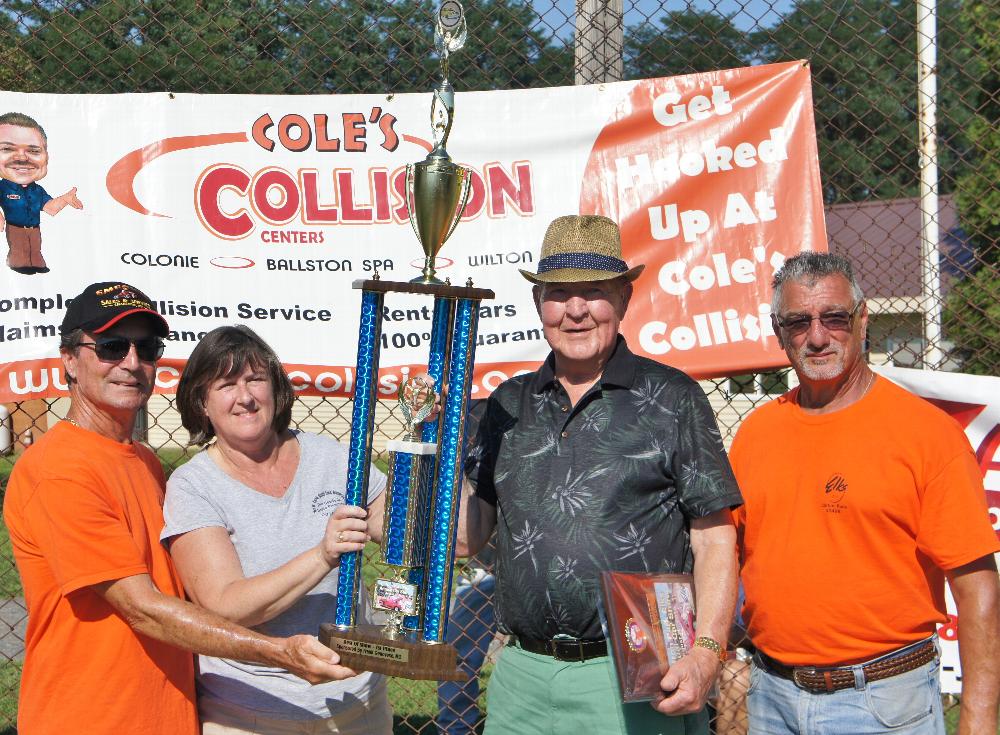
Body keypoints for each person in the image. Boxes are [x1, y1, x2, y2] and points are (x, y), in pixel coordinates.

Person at [3, 282, 355, 734]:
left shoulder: (143, 459)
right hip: (92, 717)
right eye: (111, 347)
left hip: (165, 714)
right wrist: (278, 652)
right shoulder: (58, 470)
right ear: (70, 360)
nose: (132, 363)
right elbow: (143, 608)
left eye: (147, 348)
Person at [456, 214, 744, 735]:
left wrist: (706, 652)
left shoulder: (672, 399)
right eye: (558, 293)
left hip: (636, 675)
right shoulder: (507, 404)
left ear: (624, 299)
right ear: (538, 302)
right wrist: (432, 443)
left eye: (594, 291)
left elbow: (714, 538)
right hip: (521, 676)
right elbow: (467, 538)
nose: (576, 310)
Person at [730, 252, 1000, 735]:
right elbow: (723, 562)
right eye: (798, 322)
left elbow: (977, 585)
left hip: (884, 702)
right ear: (778, 331)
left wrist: (979, 718)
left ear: (862, 319)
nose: (817, 336)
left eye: (834, 317)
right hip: (771, 696)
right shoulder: (756, 433)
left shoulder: (927, 434)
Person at [161, 325, 392, 734]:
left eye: (255, 379)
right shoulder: (194, 485)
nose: (245, 397)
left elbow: (406, 532)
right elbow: (225, 604)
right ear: (201, 402)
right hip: (252, 713)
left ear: (276, 388)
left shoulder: (334, 458)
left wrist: (432, 437)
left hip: (359, 705)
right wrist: (322, 555)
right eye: (226, 385)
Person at [0, 112, 82, 274]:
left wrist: (65, 199)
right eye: (7, 149)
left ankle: (37, 264)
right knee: (19, 248)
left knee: (35, 248)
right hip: (15, 228)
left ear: (46, 157)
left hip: (35, 228)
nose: (22, 157)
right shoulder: (3, 187)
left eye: (33, 150)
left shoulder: (37, 190)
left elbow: (50, 207)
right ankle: (19, 265)